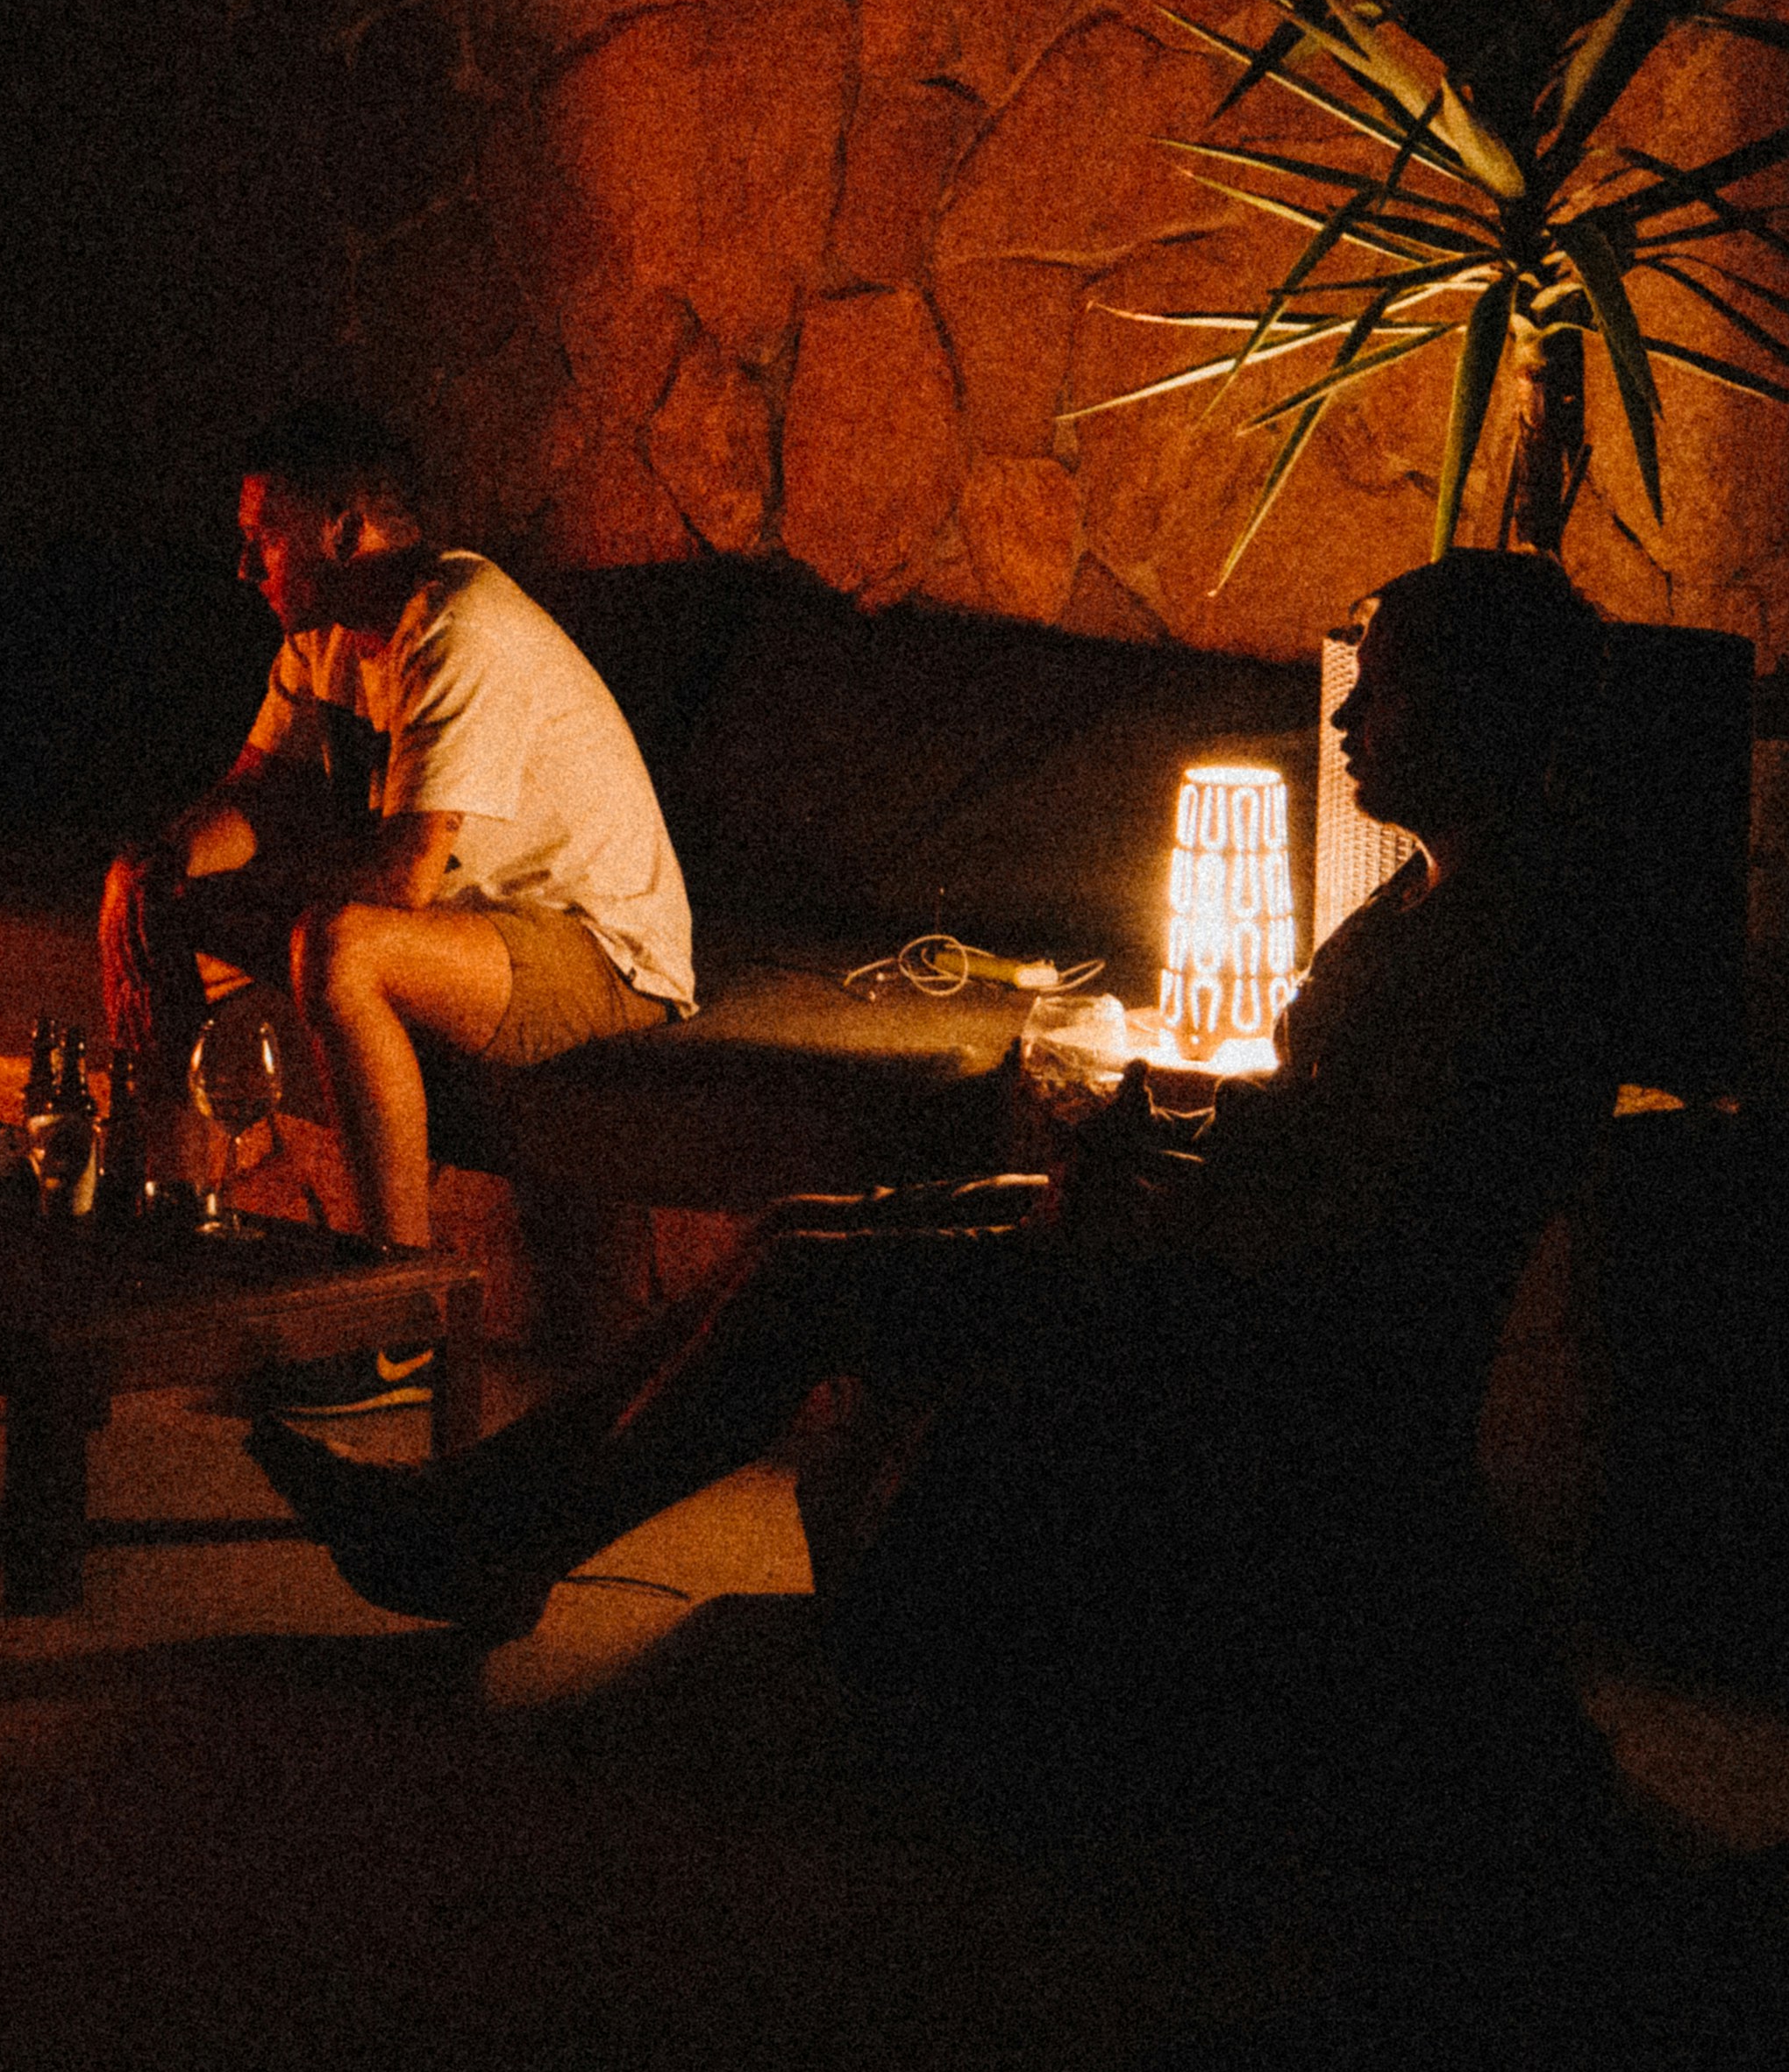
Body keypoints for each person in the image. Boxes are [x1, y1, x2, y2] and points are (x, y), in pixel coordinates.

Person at [246, 550, 1626, 1835]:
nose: (1346, 721)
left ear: (1473, 714)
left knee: (814, 1277)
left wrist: (1143, 1173)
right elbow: (1320, 1141)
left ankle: (489, 1538)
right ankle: (490, 1523)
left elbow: (1351, 1233)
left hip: (1242, 1330)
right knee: (799, 1231)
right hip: (1195, 1258)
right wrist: (1155, 1120)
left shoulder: (1497, 957)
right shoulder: (1425, 908)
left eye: (1381, 693)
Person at [100, 407, 694, 1371]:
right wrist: (157, 870)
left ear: (342, 533)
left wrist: (247, 895)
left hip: (597, 949)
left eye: (264, 541)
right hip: (472, 933)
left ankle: (395, 1320)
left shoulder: (456, 625)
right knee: (144, 893)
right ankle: (168, 1254)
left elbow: (402, 878)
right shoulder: (324, 633)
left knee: (343, 944)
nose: (246, 570)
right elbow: (257, 790)